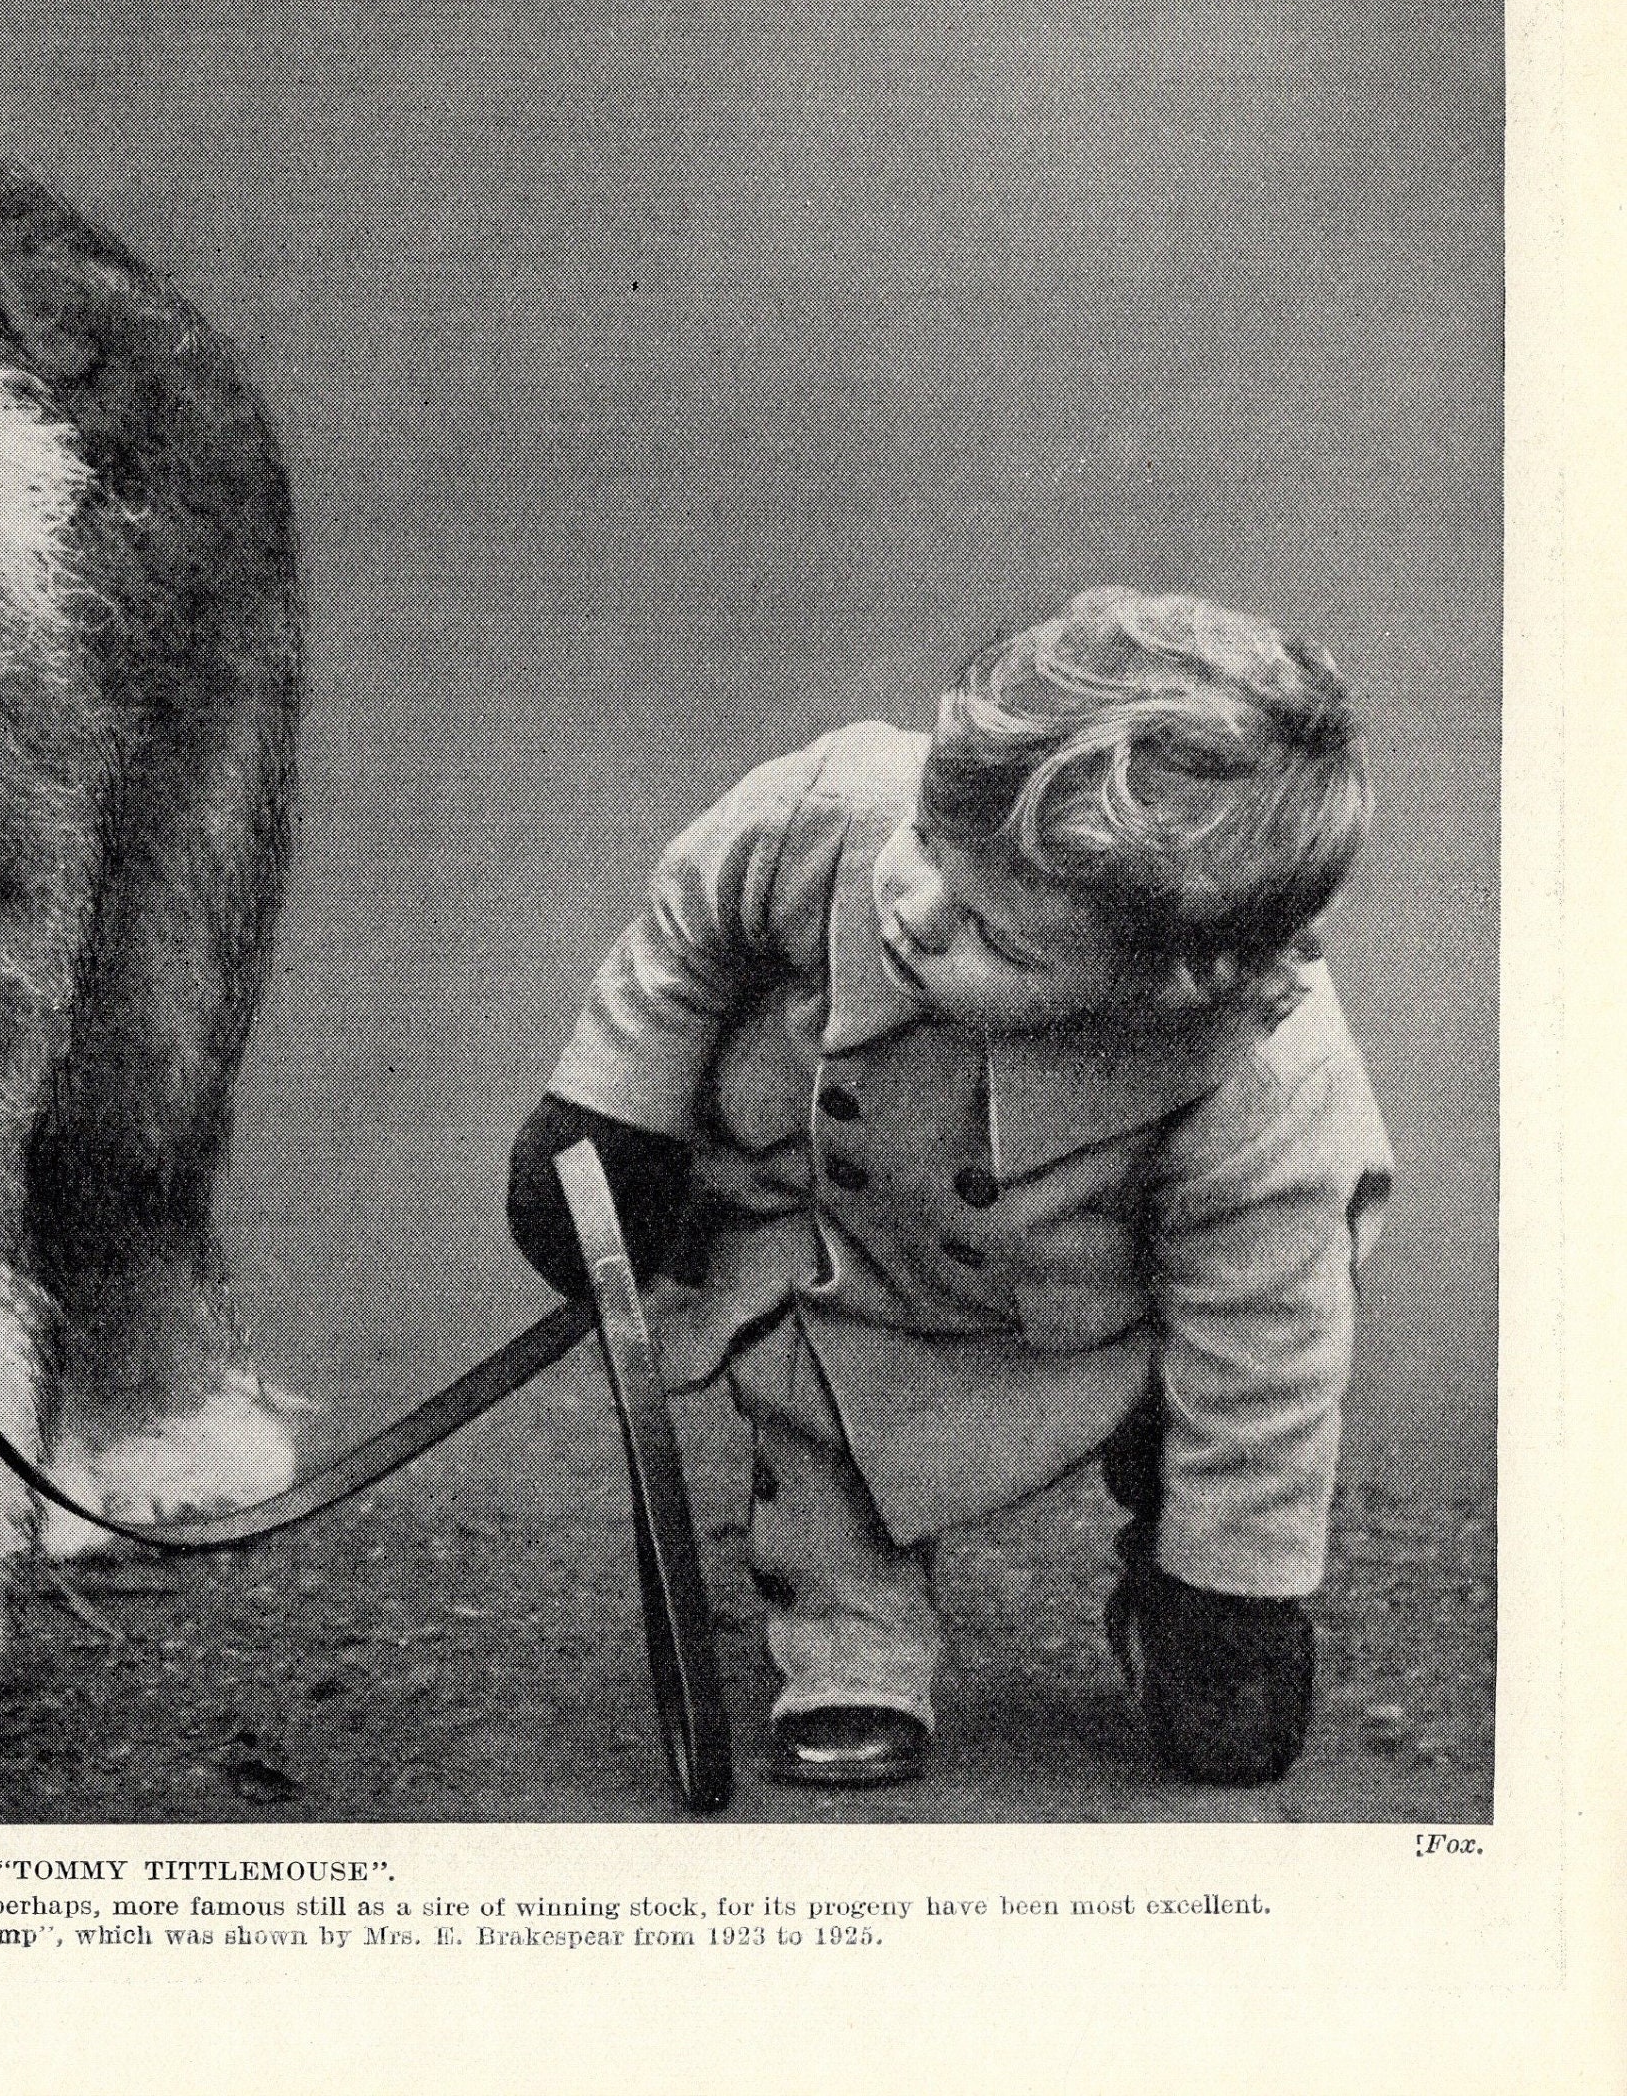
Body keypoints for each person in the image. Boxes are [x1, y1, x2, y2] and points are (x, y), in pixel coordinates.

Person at [510, 588, 1390, 1789]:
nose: (913, 911)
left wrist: (1235, 1594)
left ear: (1170, 983)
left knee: (1196, 1428)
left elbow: (1269, 1347)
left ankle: (1174, 1589)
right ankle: (851, 1645)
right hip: (834, 1236)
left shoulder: (1264, 1079)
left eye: (1001, 940)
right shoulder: (841, 809)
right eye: (928, 845)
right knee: (816, 1425)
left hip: (1093, 1314)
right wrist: (615, 1108)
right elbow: (687, 930)